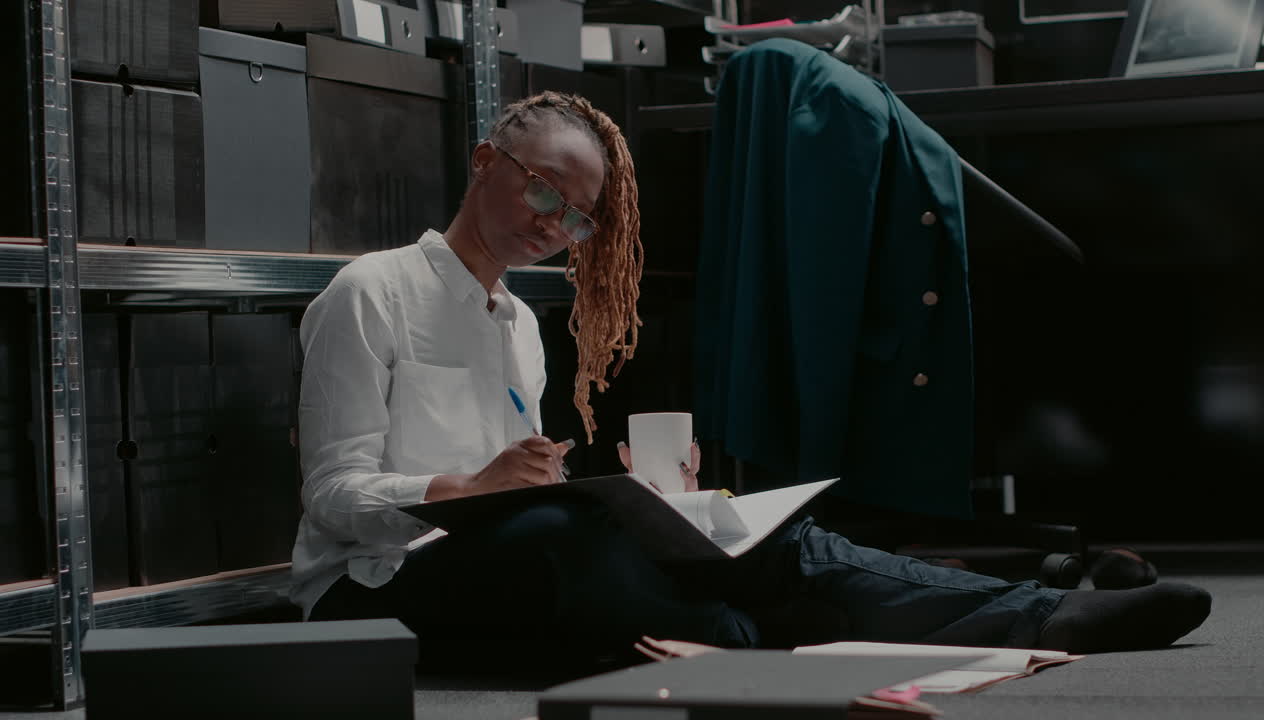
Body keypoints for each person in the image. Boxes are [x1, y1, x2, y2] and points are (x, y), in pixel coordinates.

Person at [290, 90, 1211, 672]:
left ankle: (1050, 613)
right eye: (543, 195)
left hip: (514, 551)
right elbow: (334, 500)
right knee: (580, 541)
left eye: (574, 221)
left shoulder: (520, 324)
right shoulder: (370, 290)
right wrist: (472, 487)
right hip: (380, 587)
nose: (552, 224)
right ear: (486, 162)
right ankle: (761, 633)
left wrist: (643, 498)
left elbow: (519, 491)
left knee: (755, 533)